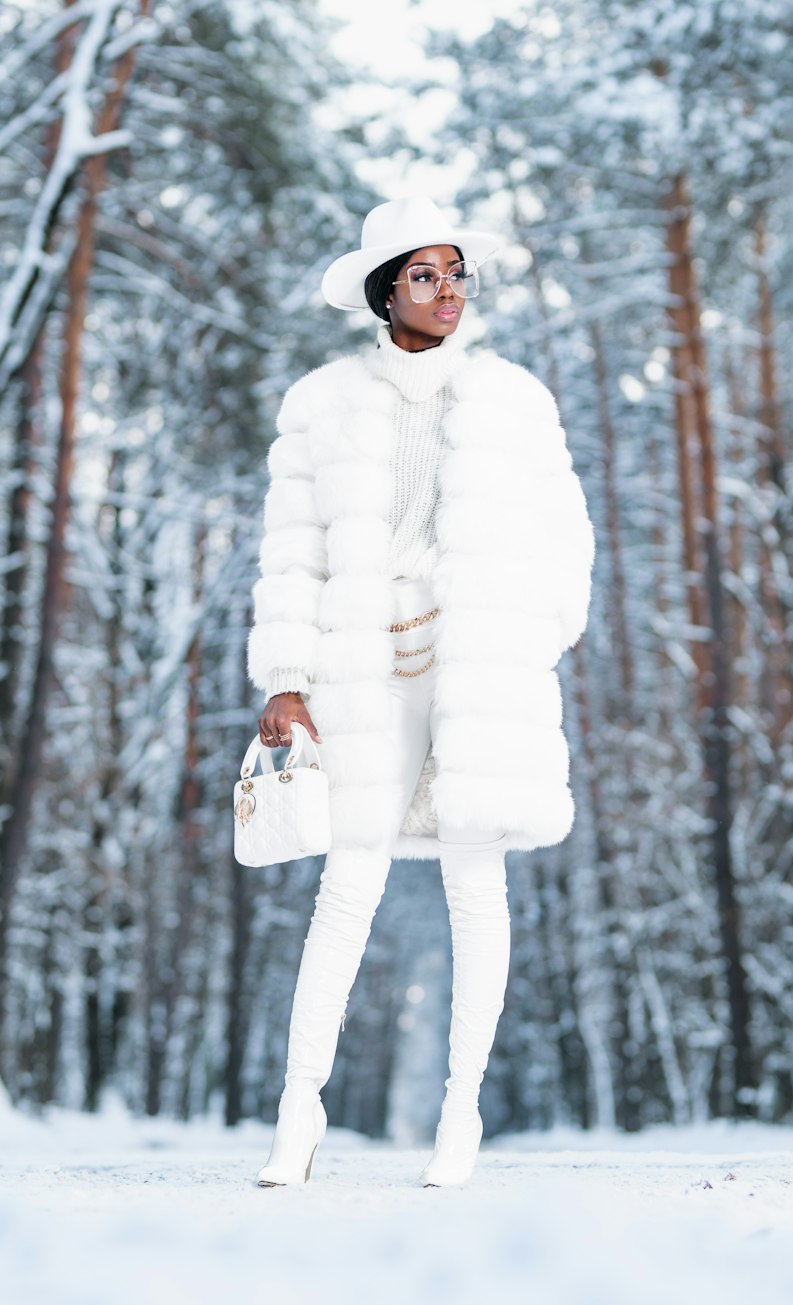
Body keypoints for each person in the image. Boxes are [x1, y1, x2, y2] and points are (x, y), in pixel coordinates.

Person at [246, 196, 594, 1187]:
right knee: (347, 882)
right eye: (425, 275)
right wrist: (286, 676)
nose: (448, 292)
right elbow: (292, 548)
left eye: (457, 273)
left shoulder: (513, 397)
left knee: (474, 886)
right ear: (384, 289)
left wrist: (543, 632)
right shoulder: (319, 402)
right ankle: (296, 1115)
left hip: (478, 654)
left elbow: (564, 528)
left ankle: (459, 1119)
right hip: (361, 656)